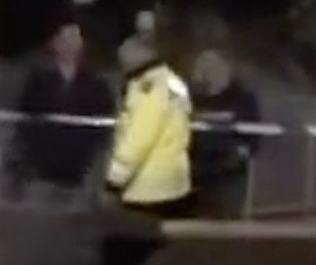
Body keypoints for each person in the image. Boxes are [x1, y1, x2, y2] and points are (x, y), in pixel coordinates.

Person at [9, 18, 116, 200]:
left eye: (75, 38)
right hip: (41, 168)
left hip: (82, 167)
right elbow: (26, 118)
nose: (70, 44)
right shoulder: (38, 81)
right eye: (65, 38)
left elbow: (104, 120)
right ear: (54, 43)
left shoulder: (96, 83)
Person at [105, 34, 196, 217]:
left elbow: (139, 137)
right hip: (173, 181)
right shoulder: (172, 79)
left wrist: (115, 178)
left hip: (147, 188)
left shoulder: (147, 86)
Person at [186, 47, 261, 217]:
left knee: (226, 222)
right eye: (203, 65)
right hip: (195, 172)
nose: (208, 70)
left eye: (213, 65)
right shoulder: (191, 98)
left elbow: (253, 133)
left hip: (229, 172)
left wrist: (242, 152)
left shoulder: (242, 97)